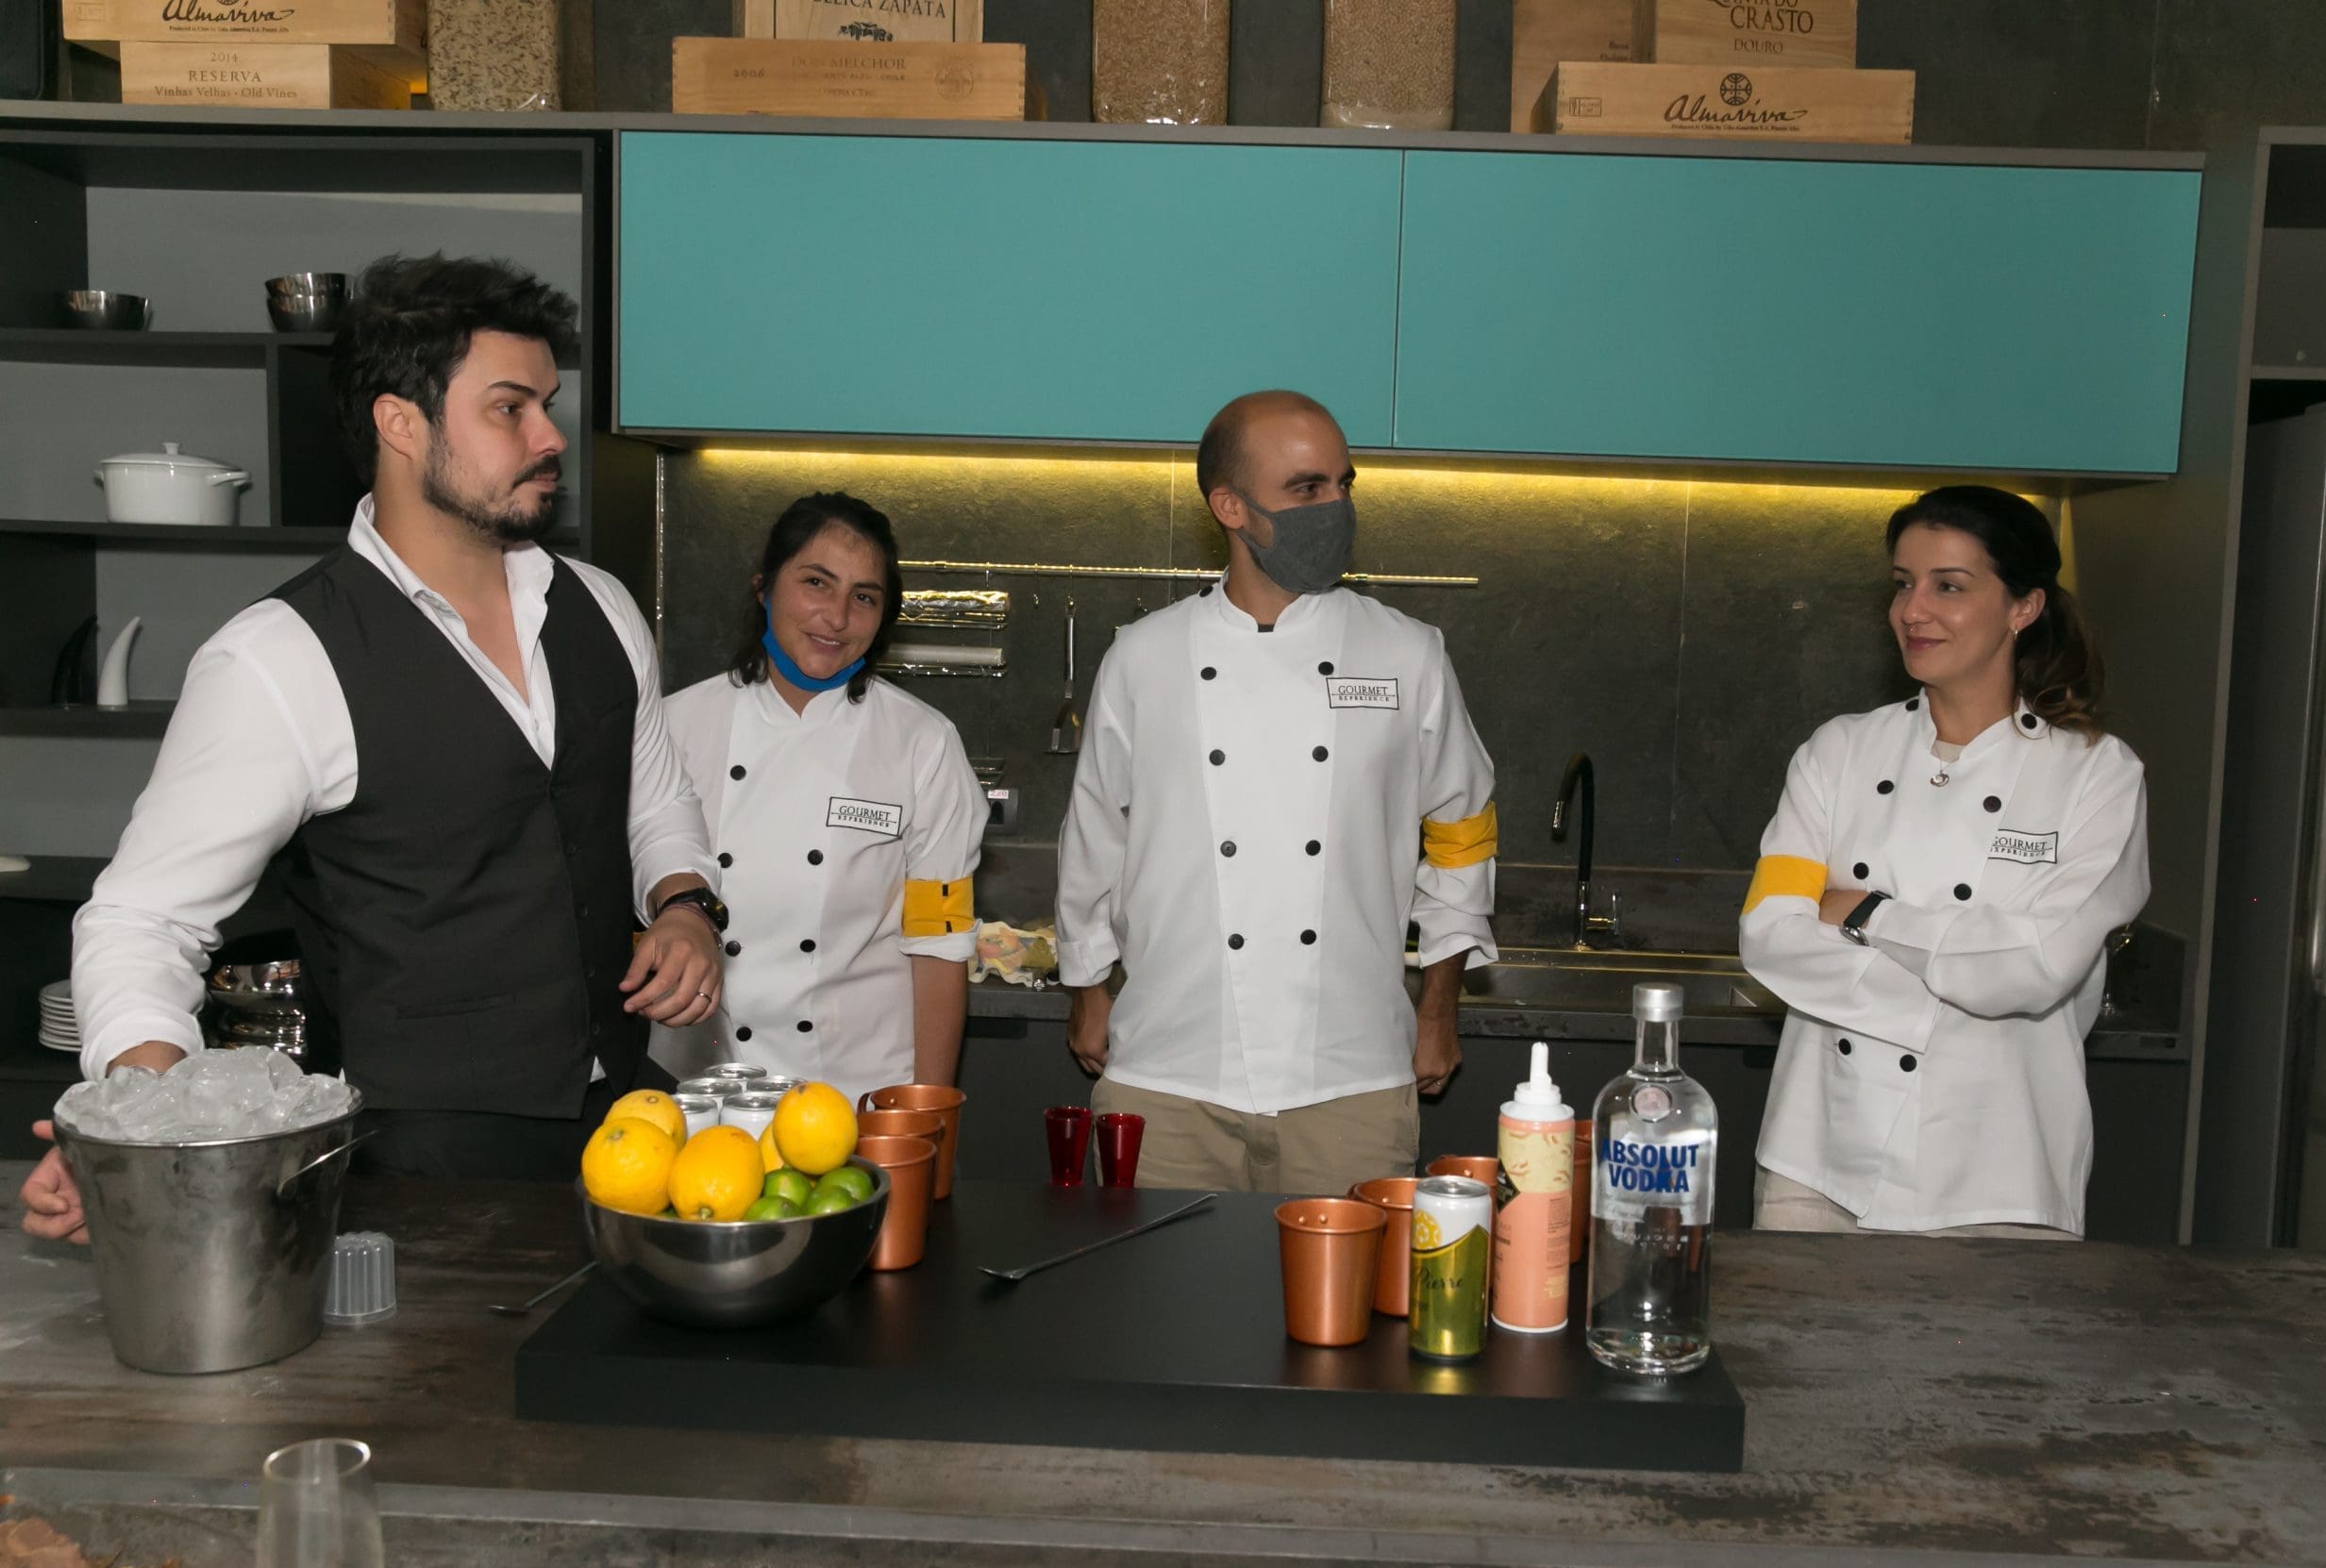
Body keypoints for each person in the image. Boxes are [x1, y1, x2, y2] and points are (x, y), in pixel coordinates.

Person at [18, 253, 724, 1241]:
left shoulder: (600, 607)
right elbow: (142, 920)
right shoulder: (279, 659)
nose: (549, 437)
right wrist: (143, 1129)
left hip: (632, 1122)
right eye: (509, 408)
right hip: (419, 1162)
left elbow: (654, 798)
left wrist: (686, 906)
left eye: (547, 405)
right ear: (401, 423)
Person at [1056, 390, 1498, 1193]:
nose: (1335, 508)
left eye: (1343, 483)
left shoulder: (1407, 655)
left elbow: (1462, 829)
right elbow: (1093, 837)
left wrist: (1438, 1009)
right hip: (1167, 1073)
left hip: (1352, 1080)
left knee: (1353, 1282)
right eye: (1306, 488)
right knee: (1153, 1279)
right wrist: (1087, 987)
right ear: (1230, 506)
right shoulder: (1143, 658)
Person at [1738, 485, 2149, 1238]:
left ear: (2024, 606)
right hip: (1816, 1163)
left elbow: (2038, 967)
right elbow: (1770, 932)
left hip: (1998, 1173)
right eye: (1903, 584)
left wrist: (1866, 911)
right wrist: (1965, 980)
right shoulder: (1837, 752)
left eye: (1949, 586)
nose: (1913, 610)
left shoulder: (2096, 776)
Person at [650, 492, 985, 1100]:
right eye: (815, 583)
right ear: (764, 588)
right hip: (697, 1089)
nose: (836, 617)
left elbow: (940, 944)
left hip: (857, 1093)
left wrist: (927, 1115)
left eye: (864, 597)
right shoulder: (674, 727)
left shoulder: (923, 744)